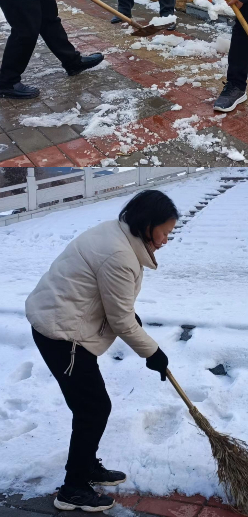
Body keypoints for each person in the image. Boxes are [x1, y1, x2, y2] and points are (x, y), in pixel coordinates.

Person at [25, 190, 177, 511]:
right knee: (93, 409)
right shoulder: (119, 255)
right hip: (62, 334)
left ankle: (86, 466)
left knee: (92, 407)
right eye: (164, 233)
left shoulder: (116, 234)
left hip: (63, 321)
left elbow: (108, 298)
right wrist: (153, 353)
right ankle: (73, 488)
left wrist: (126, 314)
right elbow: (121, 320)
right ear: (147, 226)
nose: (166, 240)